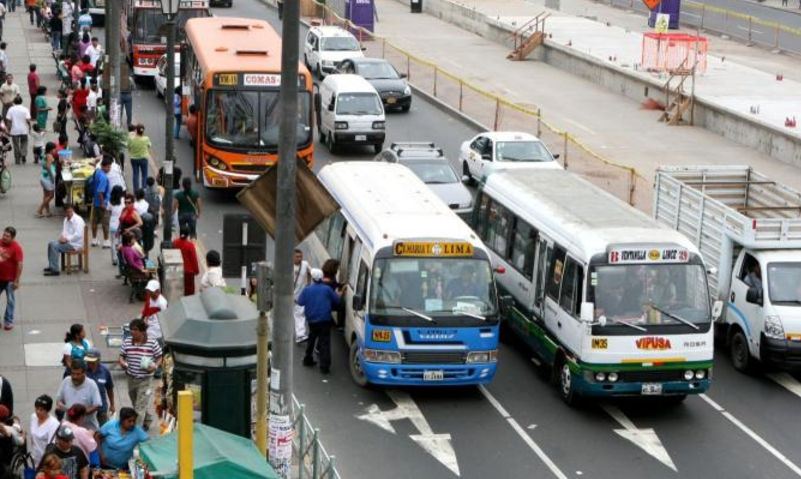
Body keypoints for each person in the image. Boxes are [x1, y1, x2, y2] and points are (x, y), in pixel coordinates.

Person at [118, 319, 162, 429]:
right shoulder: (127, 341)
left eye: (135, 330)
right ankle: (147, 419)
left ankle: (136, 431)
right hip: (131, 378)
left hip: (145, 380)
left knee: (139, 407)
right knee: (136, 403)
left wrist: (155, 367)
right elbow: (121, 355)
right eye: (131, 329)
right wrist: (122, 362)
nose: (132, 332)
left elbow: (159, 357)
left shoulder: (152, 342)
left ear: (142, 331)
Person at [298, 268, 343, 375]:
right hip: (324, 320)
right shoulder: (327, 289)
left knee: (311, 339)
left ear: (313, 278)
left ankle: (307, 359)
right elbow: (337, 300)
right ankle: (324, 367)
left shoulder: (307, 290)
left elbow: (300, 302)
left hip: (312, 320)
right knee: (324, 343)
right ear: (321, 278)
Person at [56, 360, 102, 432]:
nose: (75, 376)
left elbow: (97, 405)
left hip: (89, 430)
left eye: (78, 374)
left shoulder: (91, 384)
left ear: (84, 373)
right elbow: (59, 401)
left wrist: (80, 414)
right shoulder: (66, 381)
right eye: (73, 373)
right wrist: (65, 408)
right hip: (70, 430)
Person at [45, 204, 85, 277]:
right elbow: (64, 232)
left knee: (54, 246)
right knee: (50, 243)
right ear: (64, 212)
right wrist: (62, 237)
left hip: (75, 244)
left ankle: (55, 270)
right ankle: (51, 265)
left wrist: (66, 239)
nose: (69, 214)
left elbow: (78, 235)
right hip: (68, 242)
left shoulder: (78, 220)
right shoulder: (66, 220)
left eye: (70, 211)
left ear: (73, 210)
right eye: (67, 212)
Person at [0, 226, 23, 331]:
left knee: (10, 301)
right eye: (4, 235)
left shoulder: (16, 248)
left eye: (7, 236)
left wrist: (16, 280)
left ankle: (8, 321)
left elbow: (20, 264)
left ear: (12, 238)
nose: (4, 237)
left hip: (10, 279)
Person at [84, 350, 115, 426]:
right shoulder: (82, 369)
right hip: (86, 407)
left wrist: (112, 405)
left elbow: (109, 388)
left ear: (98, 360)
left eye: (92, 361)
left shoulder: (105, 371)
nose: (89, 363)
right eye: (88, 361)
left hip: (101, 408)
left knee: (103, 428)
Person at [30, 395, 60, 466]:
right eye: (36, 408)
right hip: (34, 458)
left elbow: (51, 447)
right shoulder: (33, 417)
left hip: (45, 461)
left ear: (47, 411)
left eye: (41, 410)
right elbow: (32, 438)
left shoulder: (54, 424)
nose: (37, 411)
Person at [90, 157, 111, 248]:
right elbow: (100, 191)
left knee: (94, 221)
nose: (109, 169)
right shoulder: (104, 177)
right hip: (103, 203)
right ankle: (106, 241)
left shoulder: (98, 172)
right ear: (104, 167)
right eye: (108, 167)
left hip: (95, 202)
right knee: (105, 222)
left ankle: (94, 240)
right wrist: (103, 203)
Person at [172, 227, 198, 295]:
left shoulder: (174, 242)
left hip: (177, 270)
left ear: (180, 232)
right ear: (188, 235)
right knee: (189, 292)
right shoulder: (190, 245)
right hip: (188, 272)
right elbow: (194, 259)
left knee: (177, 291)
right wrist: (196, 271)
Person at [292, 249, 311, 343]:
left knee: (299, 314)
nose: (299, 258)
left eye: (301, 256)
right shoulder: (288, 267)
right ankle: (299, 335)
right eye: (297, 257)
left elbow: (311, 272)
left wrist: (308, 284)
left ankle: (300, 335)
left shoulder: (305, 264)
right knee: (297, 314)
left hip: (301, 295)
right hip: (291, 295)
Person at [6, 96, 31, 165]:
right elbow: (28, 120)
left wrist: (8, 129)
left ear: (14, 102)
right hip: (24, 130)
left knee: (16, 145)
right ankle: (23, 154)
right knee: (24, 143)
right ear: (21, 101)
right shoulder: (25, 109)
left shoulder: (11, 109)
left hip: (15, 130)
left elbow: (8, 120)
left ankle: (17, 160)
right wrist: (30, 126)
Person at [0, 404, 24, 475]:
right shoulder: (8, 430)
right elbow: (20, 442)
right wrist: (24, 436)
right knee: (18, 434)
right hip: (6, 457)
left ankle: (16, 424)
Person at [141, 280, 166, 344]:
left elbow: (165, 319)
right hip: (149, 330)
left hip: (158, 333)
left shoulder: (162, 303)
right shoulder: (149, 298)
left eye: (151, 292)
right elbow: (145, 311)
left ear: (158, 291)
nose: (149, 293)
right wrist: (141, 322)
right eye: (148, 291)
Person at [36, 142, 57, 218]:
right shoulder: (50, 156)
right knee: (51, 195)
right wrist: (52, 178)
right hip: (48, 178)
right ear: (51, 149)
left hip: (43, 177)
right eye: (54, 149)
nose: (55, 150)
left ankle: (47, 212)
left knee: (46, 195)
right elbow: (48, 167)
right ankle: (39, 210)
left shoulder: (44, 154)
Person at [128, 124, 151, 192]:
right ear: (143, 131)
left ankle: (136, 191)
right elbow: (149, 145)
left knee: (135, 175)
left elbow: (128, 147)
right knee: (144, 175)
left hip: (134, 159)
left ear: (136, 130)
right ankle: (144, 190)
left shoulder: (131, 138)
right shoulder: (146, 138)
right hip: (143, 158)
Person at [108, 186, 124, 267]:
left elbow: (109, 212)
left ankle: (114, 259)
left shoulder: (110, 201)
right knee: (121, 241)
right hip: (121, 223)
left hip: (113, 223)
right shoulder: (123, 200)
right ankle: (121, 257)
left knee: (113, 242)